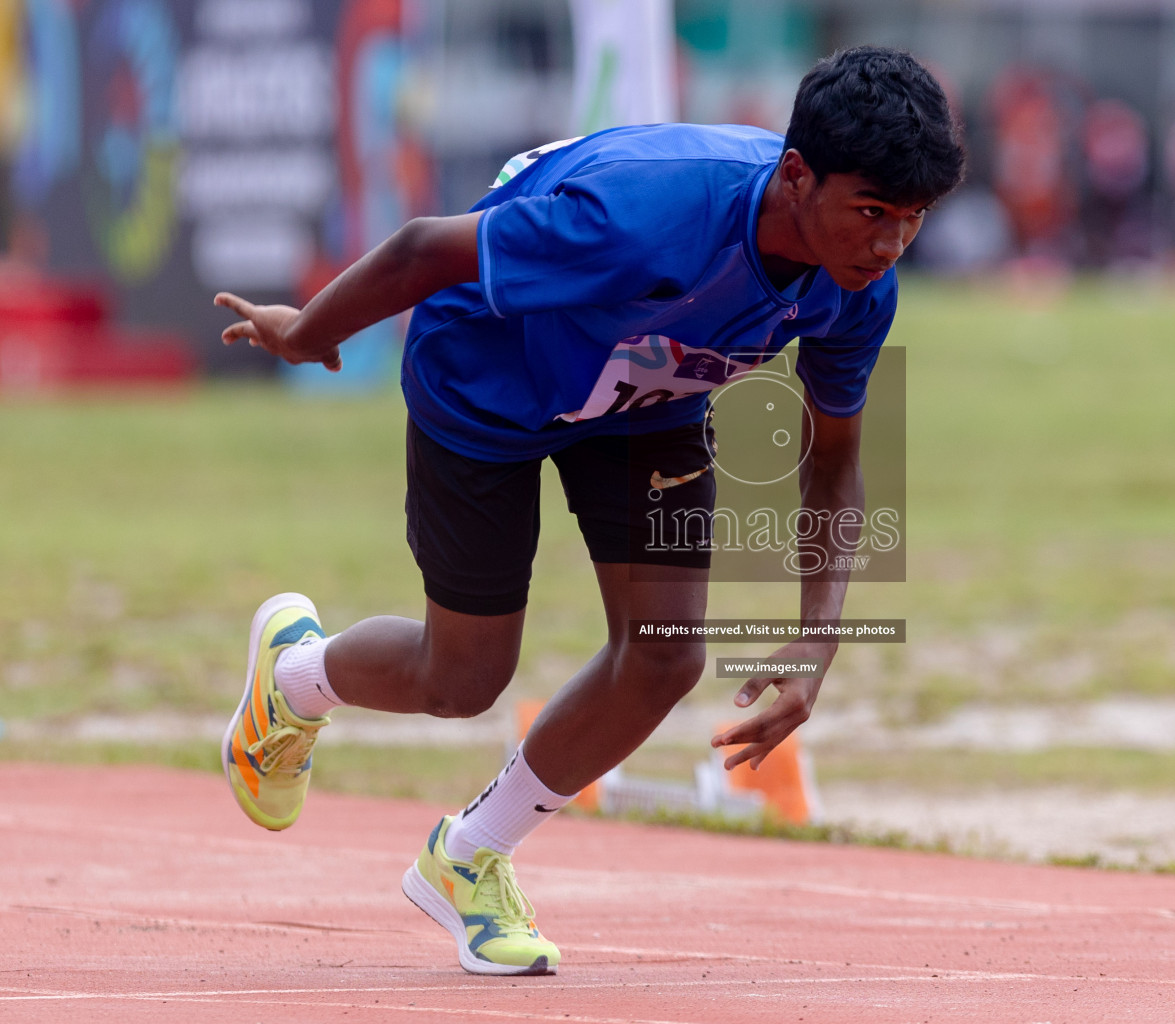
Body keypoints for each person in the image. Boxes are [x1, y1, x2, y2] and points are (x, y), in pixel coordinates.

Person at [215, 45, 964, 977]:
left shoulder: (857, 289)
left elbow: (838, 463)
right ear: (798, 174)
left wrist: (813, 645)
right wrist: (304, 333)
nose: (889, 245)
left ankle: (468, 857)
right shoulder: (647, 220)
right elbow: (418, 250)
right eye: (871, 214)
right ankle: (294, 678)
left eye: (912, 220)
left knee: (665, 652)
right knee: (464, 680)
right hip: (488, 377)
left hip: (645, 398)